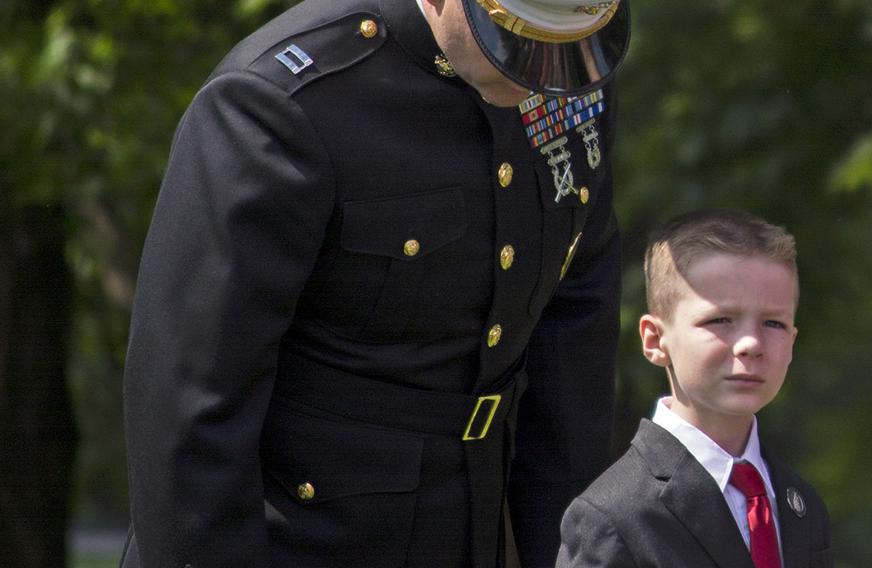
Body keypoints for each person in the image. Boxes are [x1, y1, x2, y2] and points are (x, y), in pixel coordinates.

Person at [120, 1, 630, 567]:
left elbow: (572, 345)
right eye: (515, 39)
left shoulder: (570, 87)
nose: (541, 75)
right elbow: (191, 408)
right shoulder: (283, 101)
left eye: (564, 43)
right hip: (300, 541)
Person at [556, 209, 833, 568]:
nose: (751, 342)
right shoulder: (613, 516)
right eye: (720, 320)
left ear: (793, 341)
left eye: (774, 323)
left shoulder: (801, 504)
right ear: (656, 339)